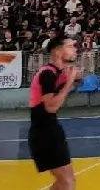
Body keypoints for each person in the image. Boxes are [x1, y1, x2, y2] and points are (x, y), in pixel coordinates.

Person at [27, 35, 79, 190]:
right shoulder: (47, 74)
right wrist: (69, 82)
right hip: (44, 133)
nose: (75, 49)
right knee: (67, 183)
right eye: (70, 46)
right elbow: (50, 107)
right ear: (57, 52)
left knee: (66, 182)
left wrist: (68, 80)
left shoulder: (57, 73)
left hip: (51, 129)